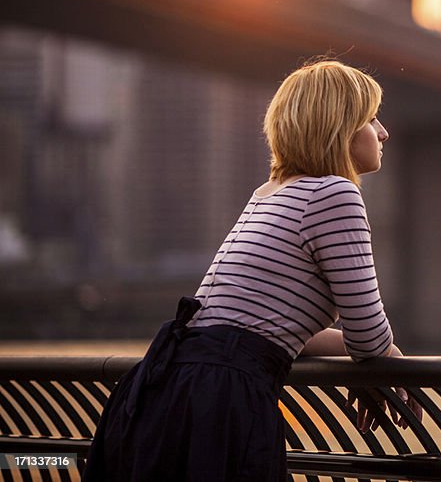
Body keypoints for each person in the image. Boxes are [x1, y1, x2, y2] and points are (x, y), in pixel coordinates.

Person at [83, 58, 420, 481]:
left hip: (168, 386)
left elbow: (265, 327)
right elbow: (368, 338)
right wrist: (388, 353)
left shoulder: (269, 193)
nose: (384, 131)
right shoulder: (335, 195)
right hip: (223, 400)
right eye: (372, 118)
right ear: (341, 127)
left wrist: (370, 348)